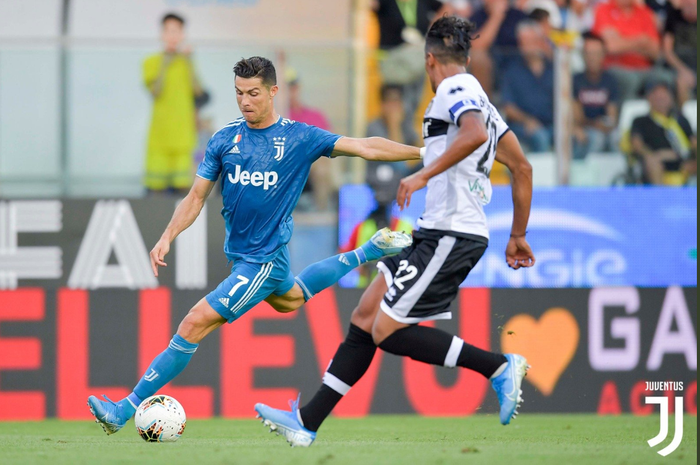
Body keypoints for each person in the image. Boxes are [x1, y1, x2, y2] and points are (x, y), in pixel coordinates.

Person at [87, 56, 422, 434]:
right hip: (253, 257)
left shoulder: (300, 137)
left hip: (261, 259)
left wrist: (424, 154)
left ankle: (124, 409)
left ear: (273, 92)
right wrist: (167, 236)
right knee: (291, 298)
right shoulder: (225, 139)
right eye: (238, 93)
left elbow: (366, 147)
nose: (245, 101)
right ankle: (370, 250)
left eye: (253, 93)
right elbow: (196, 197)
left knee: (194, 322)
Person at [255, 16, 535, 447]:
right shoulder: (484, 103)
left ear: (429, 60)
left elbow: (474, 134)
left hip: (451, 233)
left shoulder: (455, 88)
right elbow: (521, 167)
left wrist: (423, 176)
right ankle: (306, 422)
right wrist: (517, 234)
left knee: (386, 330)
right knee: (365, 316)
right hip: (435, 232)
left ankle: (497, 366)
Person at [143, 13, 203, 193]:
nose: (172, 36)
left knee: (182, 191)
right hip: (160, 135)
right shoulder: (151, 62)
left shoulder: (187, 62)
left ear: (183, 35)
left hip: (184, 135)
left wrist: (189, 60)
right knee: (156, 190)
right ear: (161, 34)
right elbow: (155, 91)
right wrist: (167, 60)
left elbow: (198, 92)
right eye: (168, 31)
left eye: (176, 31)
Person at [373, 0, 451, 121]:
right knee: (394, 99)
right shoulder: (387, 3)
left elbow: (446, 8)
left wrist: (433, 28)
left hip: (417, 60)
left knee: (413, 101)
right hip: (393, 62)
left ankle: (406, 130)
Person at [591, 0, 672, 101]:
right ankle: (626, 115)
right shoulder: (604, 10)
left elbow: (656, 52)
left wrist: (621, 39)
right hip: (614, 66)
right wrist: (640, 42)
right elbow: (610, 47)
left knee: (666, 77)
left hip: (644, 67)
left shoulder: (645, 13)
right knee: (631, 80)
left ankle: (664, 116)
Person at [501, 20, 555, 152]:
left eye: (531, 41)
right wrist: (527, 120)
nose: (526, 47)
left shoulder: (554, 68)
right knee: (540, 137)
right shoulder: (511, 71)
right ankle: (542, 173)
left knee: (576, 138)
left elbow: (566, 101)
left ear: (541, 41)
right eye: (522, 42)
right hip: (522, 126)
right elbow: (508, 108)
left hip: (552, 124)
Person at [286, 69, 335, 212]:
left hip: (308, 165)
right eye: (286, 87)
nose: (291, 91)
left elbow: (328, 147)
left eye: (292, 86)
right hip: (282, 166)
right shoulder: (272, 116)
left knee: (322, 168)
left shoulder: (315, 116)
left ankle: (321, 213)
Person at [630, 81, 696, 185]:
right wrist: (656, 155)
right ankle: (660, 198)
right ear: (649, 99)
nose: (661, 100)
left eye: (664, 96)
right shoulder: (640, 121)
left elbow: (693, 142)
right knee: (652, 162)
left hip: (682, 160)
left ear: (671, 99)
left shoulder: (681, 120)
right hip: (657, 159)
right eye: (657, 97)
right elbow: (637, 144)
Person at [573, 32, 619, 159]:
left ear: (603, 55)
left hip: (603, 128)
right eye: (589, 53)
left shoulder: (610, 80)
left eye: (596, 53)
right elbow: (577, 118)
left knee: (616, 137)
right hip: (584, 129)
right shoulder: (575, 80)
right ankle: (590, 177)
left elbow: (612, 115)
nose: (592, 58)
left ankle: (617, 175)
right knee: (597, 138)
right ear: (583, 55)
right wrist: (595, 125)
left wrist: (607, 125)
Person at [469, 0, 528, 95]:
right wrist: (496, 16)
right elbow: (476, 46)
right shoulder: (476, 17)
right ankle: (484, 104)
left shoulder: (519, 16)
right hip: (492, 67)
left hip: (518, 66)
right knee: (478, 57)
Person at [662, 0, 697, 105]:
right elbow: (667, 51)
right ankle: (685, 118)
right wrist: (683, 70)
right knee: (682, 82)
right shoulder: (673, 17)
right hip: (678, 64)